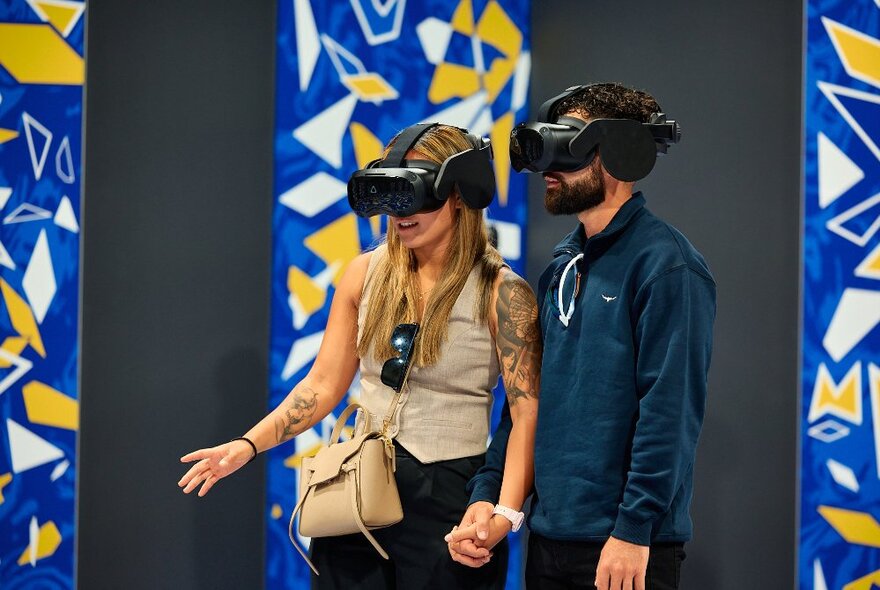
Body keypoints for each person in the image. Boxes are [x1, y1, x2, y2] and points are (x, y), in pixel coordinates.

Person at [178, 123, 541, 589]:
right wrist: (248, 446)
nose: (399, 212)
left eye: (413, 193)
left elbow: (525, 414)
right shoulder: (362, 275)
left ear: (457, 194)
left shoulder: (503, 293)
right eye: (389, 192)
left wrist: (503, 514)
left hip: (452, 499)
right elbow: (323, 384)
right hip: (356, 487)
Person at [447, 83, 716, 590]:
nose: (550, 167)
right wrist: (487, 496)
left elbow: (669, 411)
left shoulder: (667, 267)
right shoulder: (561, 267)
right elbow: (525, 400)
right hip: (549, 543)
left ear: (620, 151)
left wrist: (634, 529)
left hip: (626, 548)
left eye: (570, 147)